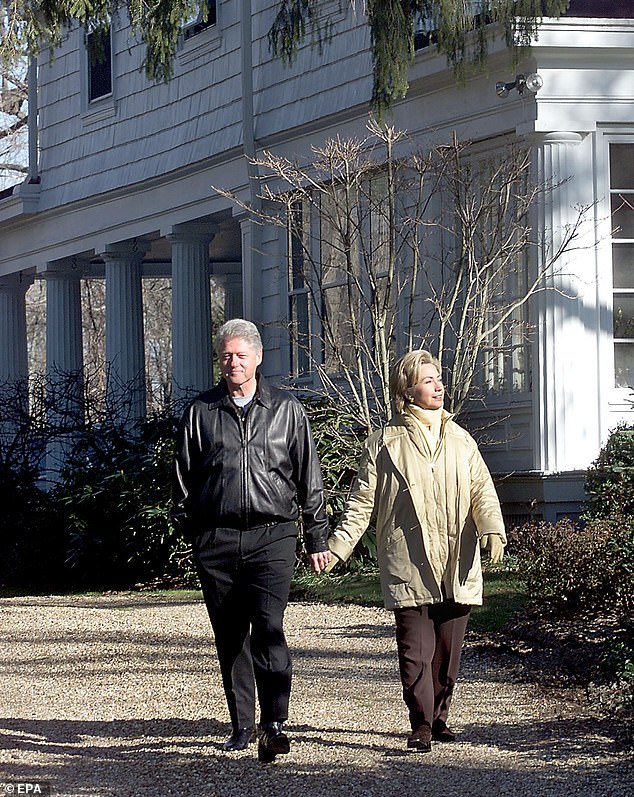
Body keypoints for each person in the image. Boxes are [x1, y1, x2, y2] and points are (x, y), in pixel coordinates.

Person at [317, 350, 506, 753]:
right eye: (427, 380)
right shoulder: (384, 445)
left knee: (448, 654)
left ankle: (440, 717)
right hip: (409, 560)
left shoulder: (461, 440)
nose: (438, 386)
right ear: (407, 390)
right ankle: (420, 723)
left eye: (439, 378)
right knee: (416, 653)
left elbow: (482, 492)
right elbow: (361, 505)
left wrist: (492, 529)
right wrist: (336, 548)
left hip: (457, 558)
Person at [172, 319, 332, 762]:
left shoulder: (286, 410)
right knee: (231, 636)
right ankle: (242, 725)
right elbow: (182, 481)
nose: (233, 363)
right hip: (217, 540)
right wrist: (197, 536)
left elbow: (309, 478)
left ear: (258, 358)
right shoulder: (200, 412)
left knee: (269, 627)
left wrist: (317, 536)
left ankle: (275, 722)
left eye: (241, 355)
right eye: (226, 355)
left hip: (272, 537)